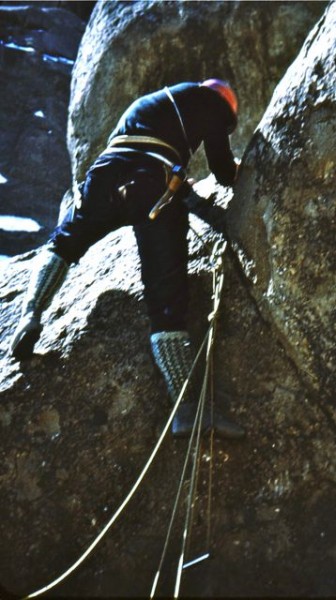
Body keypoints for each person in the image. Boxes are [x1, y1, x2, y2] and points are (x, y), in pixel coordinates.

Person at [9, 79, 245, 439]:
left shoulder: (151, 104)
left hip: (104, 175)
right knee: (166, 294)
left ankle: (32, 313)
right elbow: (223, 168)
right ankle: (187, 408)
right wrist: (236, 170)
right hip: (150, 180)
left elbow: (135, 151)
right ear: (221, 100)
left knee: (65, 242)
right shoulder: (210, 101)